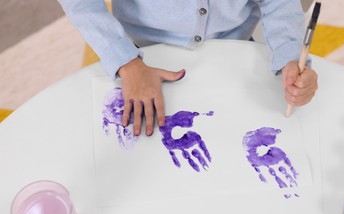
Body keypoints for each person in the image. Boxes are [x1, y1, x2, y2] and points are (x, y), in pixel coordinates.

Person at [58, 0, 318, 136]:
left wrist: (289, 56)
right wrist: (126, 63)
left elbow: (278, 2)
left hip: (232, 51)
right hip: (139, 58)